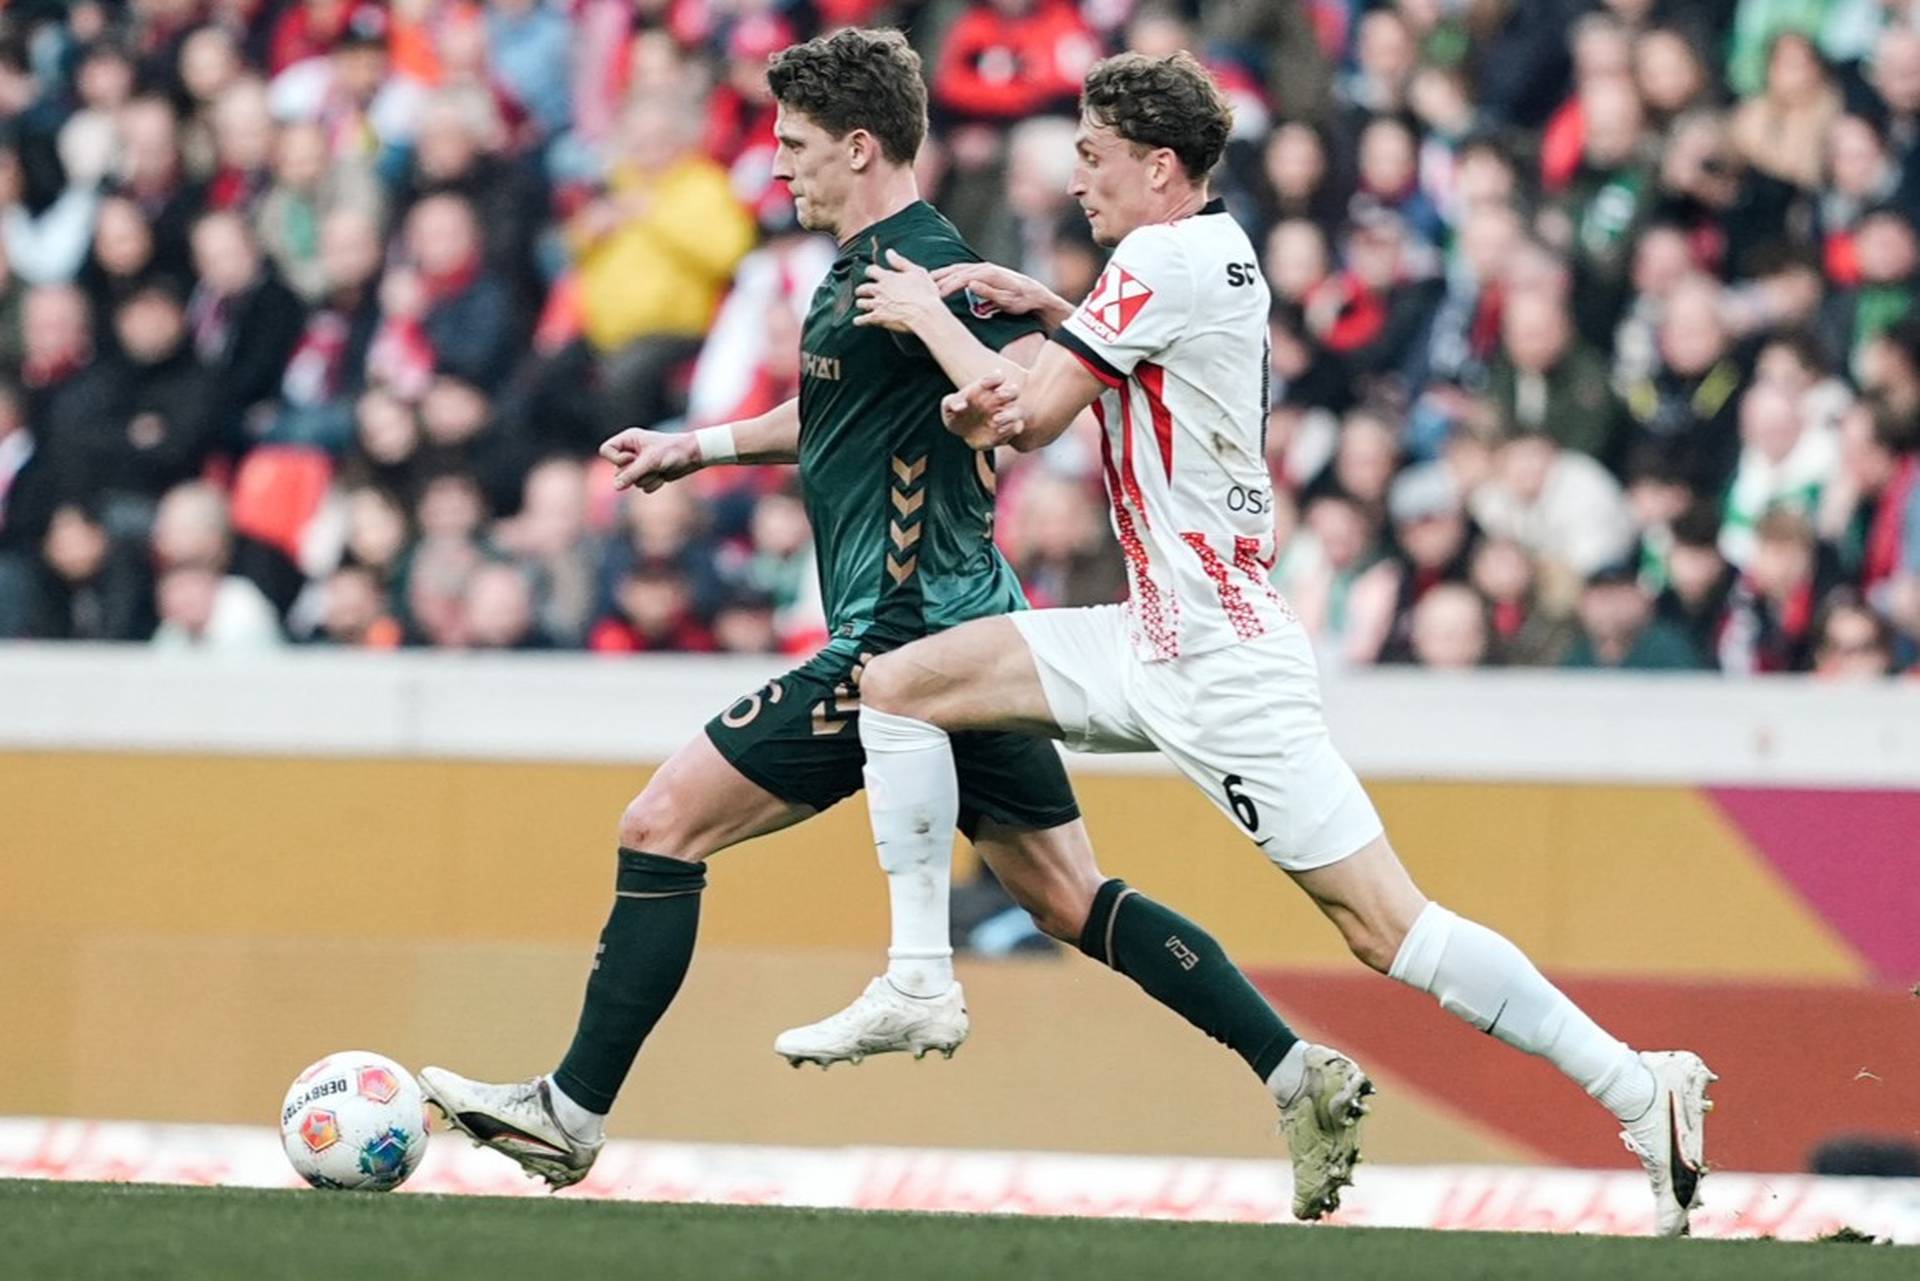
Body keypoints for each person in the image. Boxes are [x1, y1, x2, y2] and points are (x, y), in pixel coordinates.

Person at [415, 30, 1370, 1225]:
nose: (777, 167)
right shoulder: (867, 270)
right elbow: (831, 412)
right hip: (978, 627)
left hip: (902, 644)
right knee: (1069, 895)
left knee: (659, 826)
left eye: (798, 146)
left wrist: (989, 366)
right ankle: (1297, 1070)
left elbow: (1021, 392)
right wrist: (694, 449)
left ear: (862, 146)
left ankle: (573, 1112)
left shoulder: (930, 275)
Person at [823, 50, 1714, 1236]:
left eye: (1091, 157)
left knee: (1385, 928)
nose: (1075, 178)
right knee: (900, 685)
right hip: (1156, 630)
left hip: (1218, 662)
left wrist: (937, 317)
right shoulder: (1215, 249)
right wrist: (1051, 310)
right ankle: (922, 978)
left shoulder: (1158, 257)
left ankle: (1636, 1084)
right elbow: (1130, 363)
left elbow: (1027, 420)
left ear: (1158, 166)